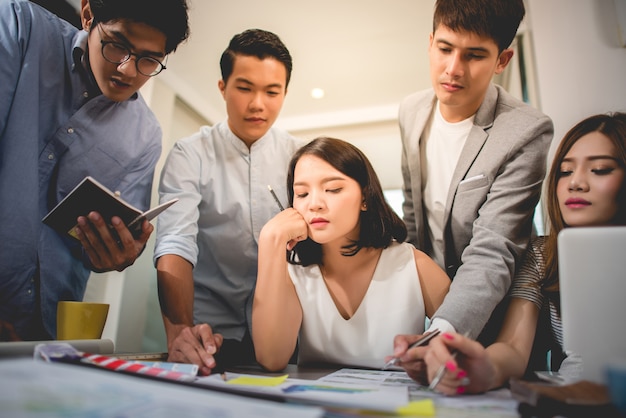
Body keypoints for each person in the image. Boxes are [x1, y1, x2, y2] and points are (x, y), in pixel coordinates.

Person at [0, 0, 190, 341]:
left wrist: (117, 254)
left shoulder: (145, 136)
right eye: (117, 45)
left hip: (49, 329)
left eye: (149, 59)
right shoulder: (17, 27)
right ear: (88, 14)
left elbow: (103, 250)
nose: (129, 71)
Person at [402, 112, 626, 395]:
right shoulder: (542, 256)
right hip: (571, 400)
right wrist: (484, 367)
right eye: (565, 171)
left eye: (601, 169)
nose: (576, 183)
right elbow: (513, 349)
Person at [398, 0, 554, 344]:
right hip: (425, 309)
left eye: (474, 55)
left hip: (499, 320)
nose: (453, 69)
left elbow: (494, 248)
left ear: (502, 60)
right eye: (445, 48)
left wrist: (443, 332)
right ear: (430, 42)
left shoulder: (526, 130)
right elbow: (413, 217)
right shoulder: (411, 111)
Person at [154, 29, 304, 375]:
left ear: (284, 93)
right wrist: (179, 328)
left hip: (286, 330)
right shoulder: (191, 154)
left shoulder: (300, 157)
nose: (257, 104)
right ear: (223, 87)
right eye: (244, 88)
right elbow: (175, 242)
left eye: (272, 91)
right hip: (209, 333)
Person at [252, 137, 451, 371]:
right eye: (302, 194)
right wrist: (270, 241)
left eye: (333, 189)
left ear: (365, 198)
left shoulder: (413, 265)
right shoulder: (294, 273)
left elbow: (467, 342)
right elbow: (271, 359)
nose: (314, 204)